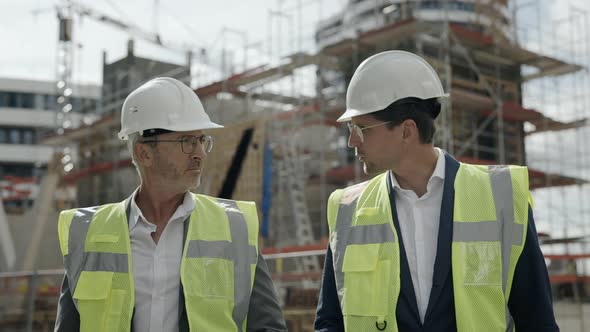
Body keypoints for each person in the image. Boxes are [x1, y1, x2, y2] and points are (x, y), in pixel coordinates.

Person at [314, 51, 559, 331]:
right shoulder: (347, 208)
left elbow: (536, 320)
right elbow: (330, 321)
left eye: (362, 129)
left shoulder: (501, 197)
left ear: (407, 131)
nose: (351, 142)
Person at [54, 77, 287, 332]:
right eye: (186, 142)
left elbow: (268, 326)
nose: (200, 153)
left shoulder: (235, 227)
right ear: (144, 153)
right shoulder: (91, 235)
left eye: (202, 140)